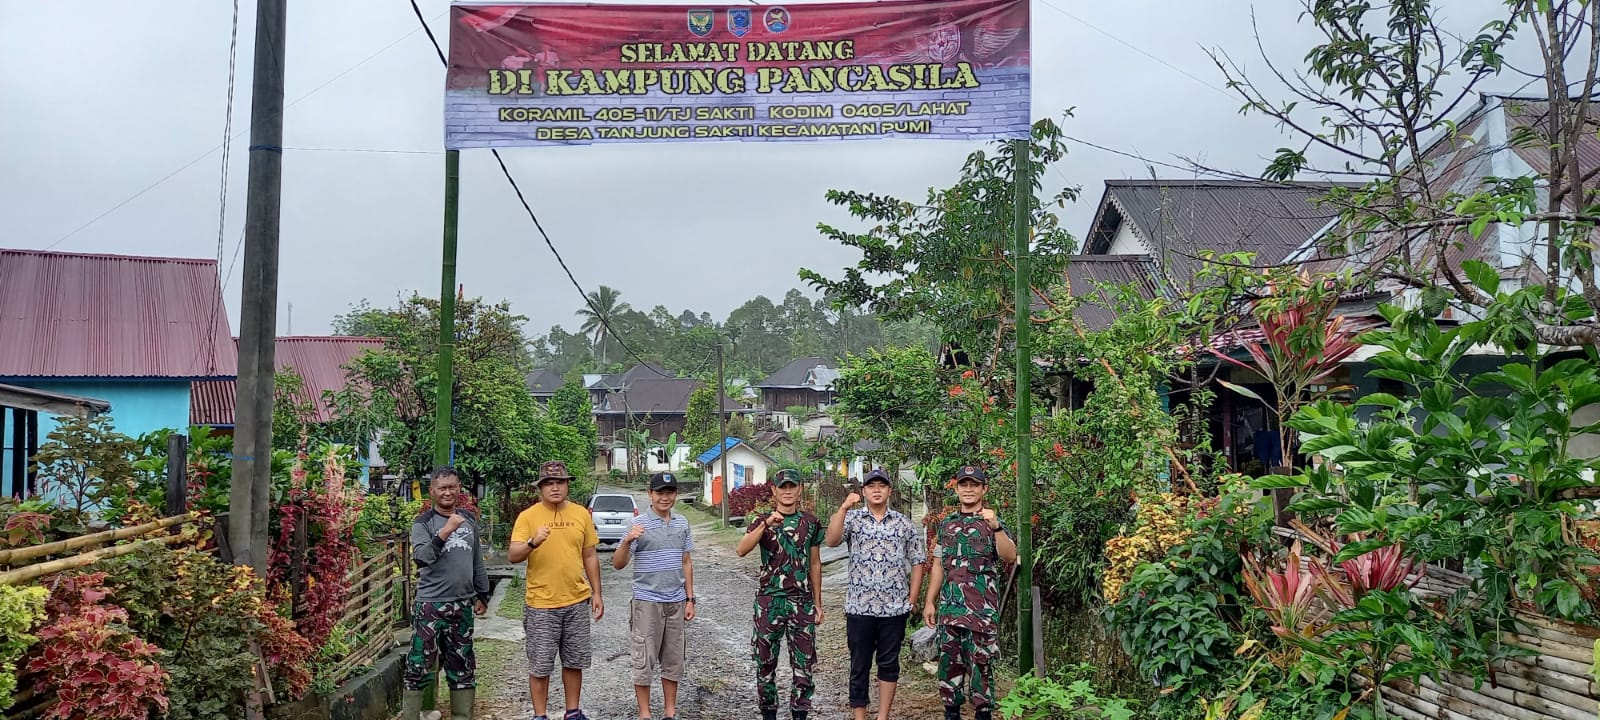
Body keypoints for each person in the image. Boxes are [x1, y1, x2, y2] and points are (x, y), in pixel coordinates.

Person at [824, 468, 926, 720]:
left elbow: (918, 560)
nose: (877, 490)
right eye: (871, 486)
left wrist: (912, 598)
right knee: (859, 664)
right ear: (864, 491)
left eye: (882, 485)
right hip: (860, 607)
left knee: (889, 663)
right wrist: (843, 509)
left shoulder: (903, 523)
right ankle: (860, 715)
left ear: (890, 491)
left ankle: (882, 716)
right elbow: (832, 540)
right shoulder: (853, 519)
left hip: (894, 608)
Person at [509, 461, 606, 720]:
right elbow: (513, 555)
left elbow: (590, 555)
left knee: (574, 661)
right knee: (540, 665)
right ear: (540, 488)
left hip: (576, 601)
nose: (554, 488)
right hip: (541, 604)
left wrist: (596, 593)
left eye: (559, 482)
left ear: (567, 485)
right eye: (548, 483)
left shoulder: (580, 514)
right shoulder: (528, 517)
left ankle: (572, 711)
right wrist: (532, 541)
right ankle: (540, 715)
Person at [923, 465, 1017, 720]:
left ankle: (983, 712)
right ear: (956, 488)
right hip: (950, 610)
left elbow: (1010, 557)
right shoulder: (947, 525)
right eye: (964, 484)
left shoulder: (992, 524)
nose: (968, 489)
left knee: (981, 667)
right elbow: (939, 565)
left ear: (983, 489)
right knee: (949, 665)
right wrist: (930, 601)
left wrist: (996, 527)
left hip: (981, 612)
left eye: (974, 485)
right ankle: (951, 711)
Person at [734, 469, 824, 720]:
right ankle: (768, 713)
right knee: (765, 663)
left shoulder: (811, 523)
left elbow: (815, 564)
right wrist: (765, 525)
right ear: (773, 490)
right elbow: (741, 550)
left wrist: (818, 603)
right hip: (769, 602)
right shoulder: (762, 520)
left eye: (792, 486)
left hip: (801, 603)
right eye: (782, 487)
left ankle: (800, 713)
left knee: (804, 665)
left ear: (800, 489)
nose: (787, 491)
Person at [404, 467, 490, 720]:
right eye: (442, 488)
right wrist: (446, 531)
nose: (448, 492)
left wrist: (482, 594)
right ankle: (410, 715)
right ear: (432, 491)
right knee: (419, 665)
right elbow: (421, 558)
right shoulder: (423, 523)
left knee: (462, 665)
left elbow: (476, 561)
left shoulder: (468, 520)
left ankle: (462, 716)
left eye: (452, 486)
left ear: (459, 488)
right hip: (430, 606)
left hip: (462, 605)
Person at [612, 472, 697, 720]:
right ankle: (645, 713)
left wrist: (690, 599)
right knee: (644, 657)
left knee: (673, 658)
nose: (665, 497)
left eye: (669, 492)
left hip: (676, 601)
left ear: (676, 495)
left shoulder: (682, 523)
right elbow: (617, 564)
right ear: (650, 494)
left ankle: (670, 712)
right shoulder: (638, 525)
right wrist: (627, 541)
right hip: (647, 601)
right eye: (660, 492)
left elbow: (686, 561)